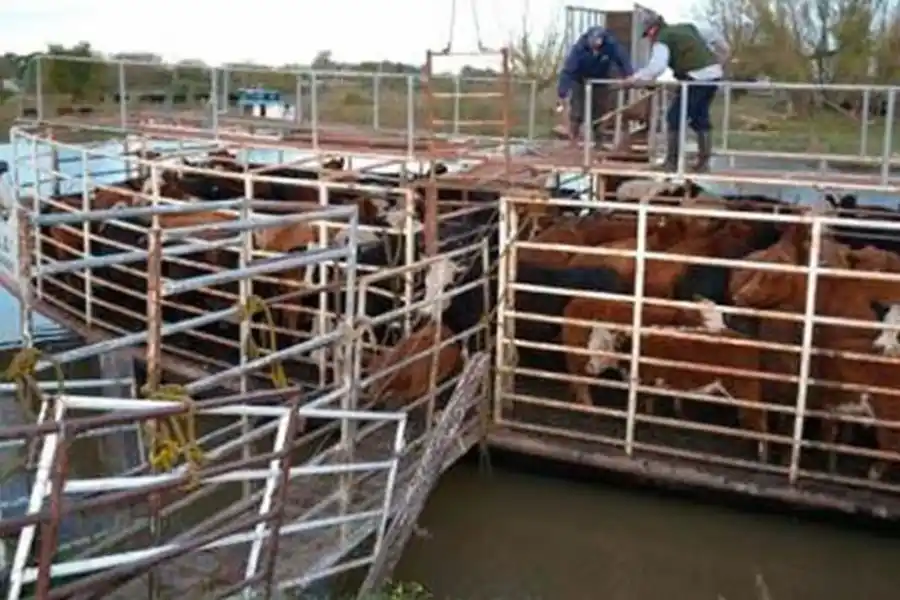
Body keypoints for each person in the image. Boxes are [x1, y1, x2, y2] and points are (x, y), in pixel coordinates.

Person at [623, 13, 728, 172]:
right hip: (713, 75)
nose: (649, 38)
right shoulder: (687, 28)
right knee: (700, 117)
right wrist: (722, 57)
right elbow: (716, 39)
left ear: (652, 30)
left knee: (674, 117)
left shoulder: (662, 39)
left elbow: (657, 67)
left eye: (648, 34)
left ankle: (671, 163)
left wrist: (634, 79)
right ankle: (704, 163)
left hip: (696, 77)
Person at [556, 26, 633, 142]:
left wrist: (629, 75)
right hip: (580, 79)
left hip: (600, 79)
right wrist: (563, 92)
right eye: (593, 43)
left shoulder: (610, 45)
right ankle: (573, 139)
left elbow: (623, 60)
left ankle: (598, 141)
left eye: (598, 42)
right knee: (577, 109)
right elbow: (568, 71)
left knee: (599, 111)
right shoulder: (579, 49)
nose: (595, 45)